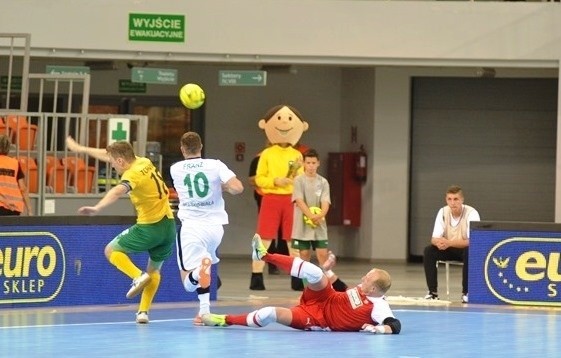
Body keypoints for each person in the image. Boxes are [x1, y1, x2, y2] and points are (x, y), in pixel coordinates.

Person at [66, 136, 176, 324]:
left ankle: (137, 276)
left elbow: (117, 191)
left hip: (149, 227)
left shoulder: (131, 175)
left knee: (111, 250)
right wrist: (82, 148)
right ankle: (143, 312)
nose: (113, 167)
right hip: (169, 226)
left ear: (120, 161)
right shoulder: (144, 161)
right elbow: (109, 154)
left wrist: (97, 207)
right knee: (154, 270)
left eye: (113, 164)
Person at [202, 234, 401, 334]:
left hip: (318, 318)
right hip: (326, 297)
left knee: (269, 313)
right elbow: (341, 288)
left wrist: (380, 329)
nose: (362, 278)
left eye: (367, 278)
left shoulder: (379, 306)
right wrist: (328, 269)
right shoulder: (361, 290)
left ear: (374, 288)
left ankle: (224, 320)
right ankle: (263, 255)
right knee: (315, 272)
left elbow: (395, 325)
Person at [170, 131, 243, 326]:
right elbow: (238, 188)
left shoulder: (175, 168)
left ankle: (198, 272)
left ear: (182, 149)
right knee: (205, 267)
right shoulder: (215, 165)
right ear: (201, 147)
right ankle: (204, 312)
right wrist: (221, 187)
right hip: (215, 229)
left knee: (188, 282)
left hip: (192, 228)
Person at [250, 104, 309, 291]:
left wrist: (295, 178)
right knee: (264, 238)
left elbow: (303, 180)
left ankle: (296, 278)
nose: (284, 123)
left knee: (293, 241)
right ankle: (256, 275)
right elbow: (259, 178)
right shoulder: (266, 154)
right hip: (271, 199)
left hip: (291, 201)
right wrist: (276, 181)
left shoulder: (298, 155)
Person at [291, 148, 347, 292]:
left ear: (318, 163)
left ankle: (329, 287)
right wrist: (310, 215)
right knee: (304, 256)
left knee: (322, 254)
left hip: (319, 224)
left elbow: (325, 201)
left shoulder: (323, 182)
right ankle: (307, 288)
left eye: (313, 163)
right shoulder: (298, 180)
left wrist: (320, 215)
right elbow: (299, 200)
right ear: (303, 163)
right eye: (308, 162)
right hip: (302, 224)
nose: (310, 165)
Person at [423, 185, 480, 303]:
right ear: (446, 200)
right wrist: (440, 243)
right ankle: (432, 292)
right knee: (429, 251)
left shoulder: (471, 213)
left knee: (470, 252)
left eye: (456, 199)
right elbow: (434, 238)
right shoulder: (443, 212)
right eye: (449, 199)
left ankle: (466, 293)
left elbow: (473, 241)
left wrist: (449, 242)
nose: (452, 203)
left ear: (462, 200)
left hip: (465, 249)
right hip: (448, 249)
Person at [0, 134, 32, 216]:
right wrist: (29, 210)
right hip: (15, 207)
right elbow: (23, 188)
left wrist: (5, 202)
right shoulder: (15, 163)